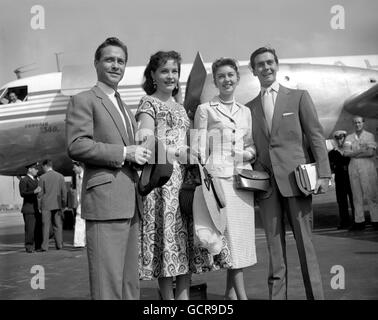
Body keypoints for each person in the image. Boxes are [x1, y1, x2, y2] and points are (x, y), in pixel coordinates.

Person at [136, 51, 230, 300]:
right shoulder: (149, 103)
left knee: (185, 243)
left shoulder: (180, 108)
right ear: (153, 75)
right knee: (167, 244)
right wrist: (177, 151)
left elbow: (191, 142)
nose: (171, 76)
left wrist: (199, 152)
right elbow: (145, 140)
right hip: (164, 183)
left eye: (175, 71)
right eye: (165, 71)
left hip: (185, 183)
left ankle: (184, 299)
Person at [65, 37, 151, 300]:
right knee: (107, 287)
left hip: (130, 201)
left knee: (128, 286)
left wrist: (138, 155)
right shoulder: (83, 100)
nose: (116, 65)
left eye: (121, 61)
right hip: (104, 203)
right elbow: (77, 145)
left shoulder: (125, 106)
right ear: (96, 63)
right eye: (110, 59)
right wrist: (125, 153)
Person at [246, 47, 331, 300]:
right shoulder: (248, 108)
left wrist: (324, 174)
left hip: (298, 183)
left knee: (306, 248)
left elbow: (316, 136)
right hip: (268, 188)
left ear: (277, 65)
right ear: (253, 70)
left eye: (270, 62)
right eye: (260, 64)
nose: (266, 67)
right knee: (275, 253)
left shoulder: (299, 97)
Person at [193, 57, 256, 300]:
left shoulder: (246, 111)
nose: (226, 80)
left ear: (237, 78)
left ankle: (231, 294)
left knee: (240, 240)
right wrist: (206, 177)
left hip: (242, 181)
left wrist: (246, 153)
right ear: (215, 81)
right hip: (219, 182)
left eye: (231, 75)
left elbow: (251, 145)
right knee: (230, 240)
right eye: (221, 76)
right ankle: (242, 296)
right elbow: (198, 150)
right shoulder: (205, 109)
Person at [343, 116, 378, 231]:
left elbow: (370, 153)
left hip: (367, 166)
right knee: (356, 195)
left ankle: (375, 220)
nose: (357, 124)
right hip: (353, 166)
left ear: (363, 123)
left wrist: (354, 152)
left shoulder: (369, 136)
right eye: (355, 123)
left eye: (359, 122)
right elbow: (346, 154)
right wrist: (362, 150)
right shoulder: (349, 137)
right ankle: (359, 221)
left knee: (371, 194)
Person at [38, 159, 67, 251]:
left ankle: (44, 246)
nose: (42, 169)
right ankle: (59, 245)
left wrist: (39, 206)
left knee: (45, 226)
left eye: (43, 167)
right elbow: (64, 192)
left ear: (46, 166)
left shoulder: (42, 177)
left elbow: (40, 194)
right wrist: (63, 204)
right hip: (57, 204)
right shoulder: (60, 176)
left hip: (46, 205)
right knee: (58, 225)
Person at [328, 130, 354, 229]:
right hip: (340, 178)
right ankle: (344, 222)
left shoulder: (351, 150)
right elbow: (330, 166)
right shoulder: (332, 153)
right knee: (341, 201)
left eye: (341, 138)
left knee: (354, 200)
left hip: (351, 177)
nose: (339, 141)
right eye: (337, 139)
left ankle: (357, 220)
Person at [19, 162, 42, 253]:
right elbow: (22, 193)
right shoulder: (24, 180)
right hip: (29, 209)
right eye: (35, 168)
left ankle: (38, 246)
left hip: (37, 208)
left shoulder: (36, 180)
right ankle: (29, 247)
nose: (37, 170)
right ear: (30, 169)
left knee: (38, 228)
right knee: (30, 229)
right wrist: (34, 192)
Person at [72, 161, 85, 247]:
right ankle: (79, 242)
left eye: (74, 167)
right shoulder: (77, 176)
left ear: (79, 166)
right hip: (80, 203)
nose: (73, 169)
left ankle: (82, 241)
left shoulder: (86, 175)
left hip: (87, 202)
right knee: (79, 220)